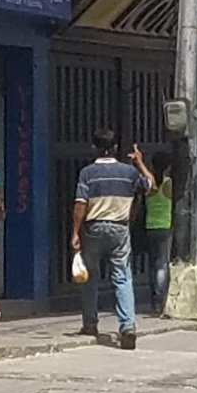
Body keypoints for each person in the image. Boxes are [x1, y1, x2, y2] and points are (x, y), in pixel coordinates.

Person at [72, 127, 143, 348]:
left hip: (94, 228)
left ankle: (90, 323)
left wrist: (74, 232)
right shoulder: (129, 173)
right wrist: (139, 162)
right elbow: (150, 184)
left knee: (90, 277)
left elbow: (80, 205)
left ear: (94, 148)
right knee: (122, 277)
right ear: (114, 148)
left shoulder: (87, 173)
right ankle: (128, 326)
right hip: (120, 229)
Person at [140, 148, 174, 312]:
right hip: (165, 227)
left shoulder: (149, 184)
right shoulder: (168, 183)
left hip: (149, 226)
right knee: (162, 265)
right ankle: (161, 300)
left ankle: (153, 299)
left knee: (152, 265)